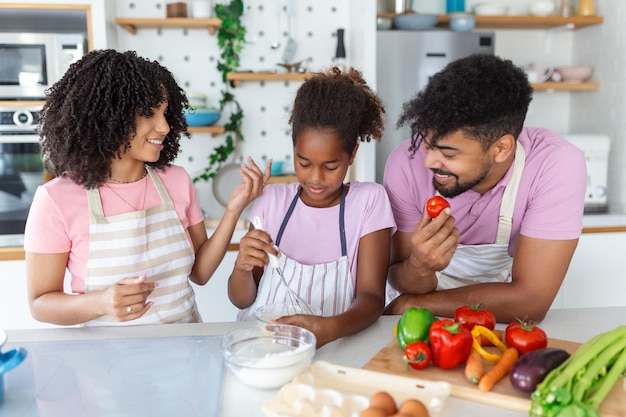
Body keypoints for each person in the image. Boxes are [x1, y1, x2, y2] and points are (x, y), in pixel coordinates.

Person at [24, 49, 269, 326]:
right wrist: (100, 303)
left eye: (165, 113)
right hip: (105, 360)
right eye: (149, 114)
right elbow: (40, 303)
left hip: (185, 351)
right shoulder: (56, 199)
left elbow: (199, 273)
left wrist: (233, 209)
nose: (164, 126)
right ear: (110, 115)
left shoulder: (176, 181)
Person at [383, 53, 587, 323]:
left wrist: (414, 304)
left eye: (448, 153)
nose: (429, 161)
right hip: (415, 321)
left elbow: (531, 302)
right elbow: (402, 282)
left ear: (501, 148)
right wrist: (419, 266)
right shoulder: (406, 162)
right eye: (428, 143)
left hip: (492, 322)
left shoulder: (556, 164)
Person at [228, 67, 396, 347]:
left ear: (352, 154)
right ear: (293, 149)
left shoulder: (369, 201)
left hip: (335, 346)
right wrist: (242, 267)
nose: (315, 178)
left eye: (331, 166)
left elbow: (372, 299)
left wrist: (329, 329)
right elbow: (242, 298)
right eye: (303, 163)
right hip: (262, 347)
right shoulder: (272, 202)